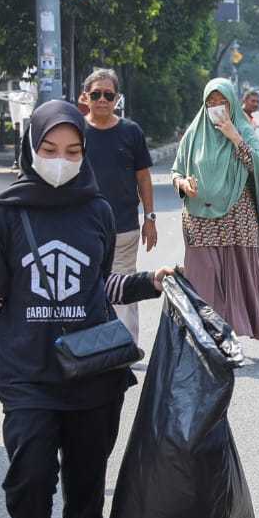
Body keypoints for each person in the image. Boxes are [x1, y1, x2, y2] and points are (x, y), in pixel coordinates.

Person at [0, 101, 175, 518]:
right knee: (27, 481)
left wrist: (150, 281)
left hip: (92, 375)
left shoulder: (96, 210)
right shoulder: (1, 217)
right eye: (50, 150)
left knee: (84, 489)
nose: (61, 160)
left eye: (73, 151)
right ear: (31, 149)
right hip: (27, 375)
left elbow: (98, 286)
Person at [171, 78, 259, 340]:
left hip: (236, 219)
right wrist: (183, 183)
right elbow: (176, 171)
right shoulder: (195, 133)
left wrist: (235, 138)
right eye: (211, 102)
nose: (216, 107)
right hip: (198, 218)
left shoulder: (242, 128)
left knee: (234, 277)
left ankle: (231, 331)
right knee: (201, 274)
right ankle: (204, 331)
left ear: (231, 104)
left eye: (222, 102)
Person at [81, 68, 156, 343]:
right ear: (85, 97)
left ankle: (124, 346)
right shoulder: (75, 132)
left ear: (117, 98)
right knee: (85, 286)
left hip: (123, 227)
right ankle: (87, 346)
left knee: (123, 285)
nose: (102, 99)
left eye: (108, 95)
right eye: (96, 94)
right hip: (81, 227)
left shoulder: (130, 131)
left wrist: (150, 218)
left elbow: (143, 177)